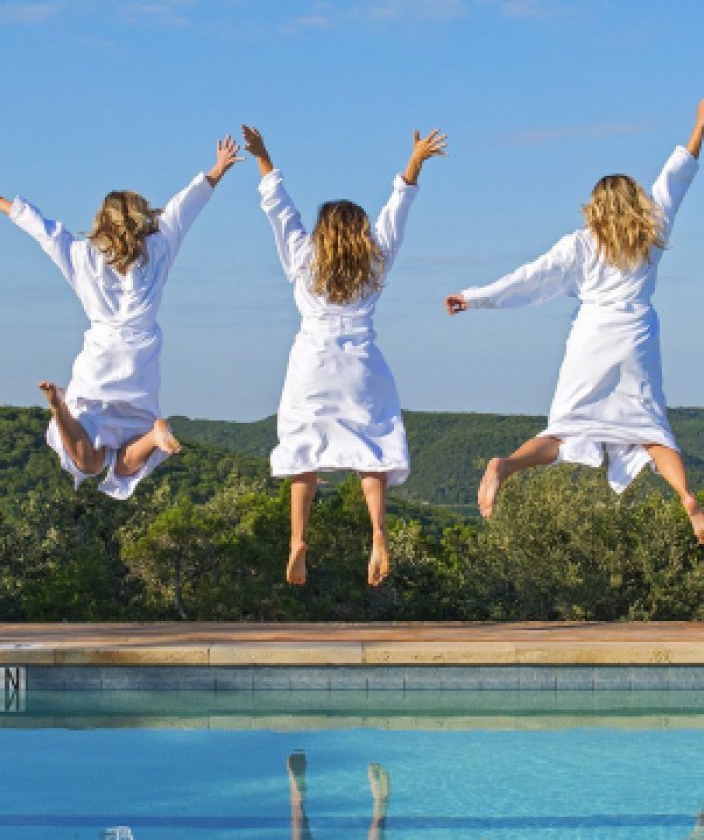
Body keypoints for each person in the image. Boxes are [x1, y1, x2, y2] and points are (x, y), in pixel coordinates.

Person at [446, 101, 704, 542]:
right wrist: (700, 127)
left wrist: (474, 298)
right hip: (637, 335)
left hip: (591, 338)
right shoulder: (652, 230)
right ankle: (687, 497)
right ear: (635, 203)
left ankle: (506, 465)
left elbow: (528, 279)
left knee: (564, 431)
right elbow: (678, 174)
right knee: (651, 430)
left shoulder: (579, 244)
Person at [243, 123, 447, 585]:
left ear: (323, 231)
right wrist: (415, 160)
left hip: (312, 365)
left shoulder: (302, 256)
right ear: (359, 232)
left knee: (302, 451)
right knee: (370, 449)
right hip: (360, 365)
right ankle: (377, 533)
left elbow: (279, 208)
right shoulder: (374, 260)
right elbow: (398, 210)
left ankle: (297, 540)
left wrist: (263, 155)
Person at [0, 137, 241, 499]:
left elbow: (39, 228)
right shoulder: (158, 247)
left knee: (88, 463)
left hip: (100, 360)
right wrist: (218, 168)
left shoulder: (82, 253)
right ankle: (152, 435)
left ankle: (59, 408)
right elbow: (184, 207)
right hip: (140, 363)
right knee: (127, 462)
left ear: (102, 221)